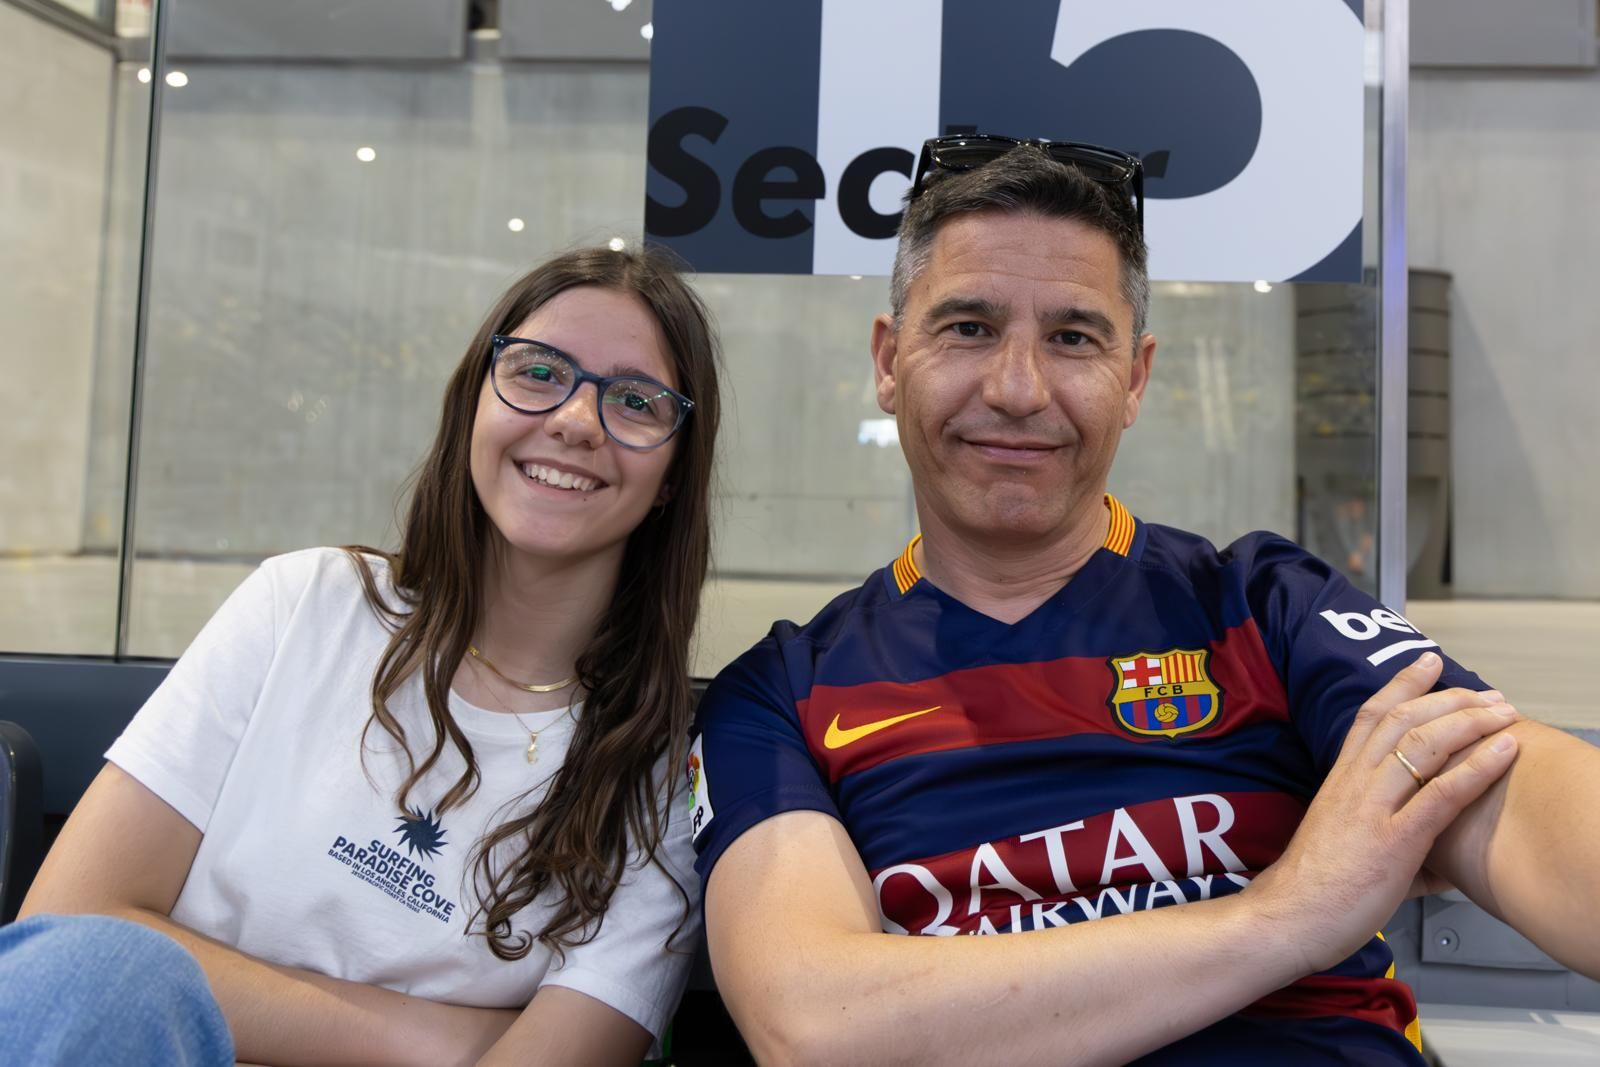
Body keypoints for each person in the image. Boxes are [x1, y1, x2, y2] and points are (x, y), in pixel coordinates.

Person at [688, 137, 1600, 1065]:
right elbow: (815, 1027)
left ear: (1134, 378)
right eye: (968, 327)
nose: (1016, 389)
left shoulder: (1267, 608)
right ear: (889, 361)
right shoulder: (783, 691)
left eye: (1074, 338)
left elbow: (1520, 793)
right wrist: (1287, 913)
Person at [17, 243, 721, 1067]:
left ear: (673, 475)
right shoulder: (307, 604)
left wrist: (178, 982)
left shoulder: (663, 779)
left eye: (636, 400)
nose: (572, 419)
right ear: (475, 405)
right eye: (537, 373)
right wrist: (436, 1036)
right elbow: (72, 938)